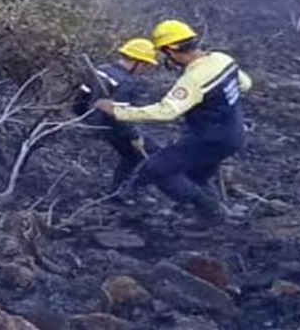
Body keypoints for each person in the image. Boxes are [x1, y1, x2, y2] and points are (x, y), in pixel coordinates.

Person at [95, 19, 251, 226]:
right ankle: (214, 218)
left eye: (164, 54)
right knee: (196, 176)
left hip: (208, 138)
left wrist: (117, 110)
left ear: (172, 51)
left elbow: (166, 112)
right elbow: (246, 84)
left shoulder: (194, 78)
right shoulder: (222, 59)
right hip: (234, 133)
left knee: (157, 169)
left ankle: (213, 215)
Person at [74, 38, 160, 197]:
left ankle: (124, 189)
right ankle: (121, 192)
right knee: (141, 153)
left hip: (91, 120)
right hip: (107, 125)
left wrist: (85, 118)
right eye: (147, 65)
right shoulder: (126, 82)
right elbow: (120, 116)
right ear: (138, 62)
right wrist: (135, 136)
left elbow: (79, 100)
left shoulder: (101, 70)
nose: (146, 70)